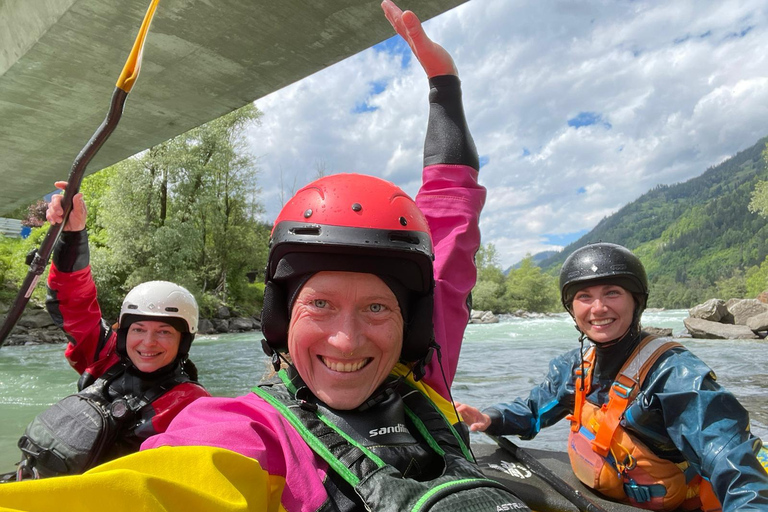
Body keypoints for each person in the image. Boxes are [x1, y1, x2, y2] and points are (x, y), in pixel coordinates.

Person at [0, 2, 531, 510]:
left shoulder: (418, 374)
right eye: (319, 304)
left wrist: (445, 89)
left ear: (411, 324)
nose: (346, 340)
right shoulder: (238, 427)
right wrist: (71, 237)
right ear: (282, 318)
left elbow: (451, 236)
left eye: (377, 308)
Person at [457, 242, 768, 511]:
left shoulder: (675, 374)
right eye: (584, 296)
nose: (598, 307)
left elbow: (732, 458)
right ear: (571, 308)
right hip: (608, 494)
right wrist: (491, 418)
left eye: (612, 293)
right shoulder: (577, 365)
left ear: (636, 301)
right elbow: (536, 409)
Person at [4, 182, 210, 480]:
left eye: (164, 332)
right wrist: (74, 235)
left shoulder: (194, 405)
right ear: (125, 333)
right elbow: (74, 301)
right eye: (139, 329)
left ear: (184, 341)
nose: (148, 343)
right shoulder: (105, 357)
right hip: (34, 483)